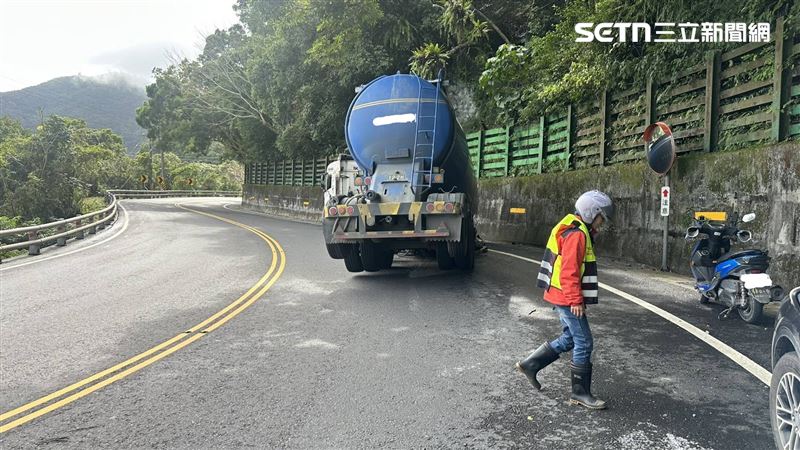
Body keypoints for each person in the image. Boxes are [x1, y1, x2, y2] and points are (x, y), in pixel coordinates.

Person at [515, 190, 614, 410]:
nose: (602, 223)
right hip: (566, 297)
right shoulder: (577, 234)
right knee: (584, 342)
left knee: (570, 337)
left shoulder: (574, 227)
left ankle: (530, 364)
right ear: (591, 212)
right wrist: (576, 300)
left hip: (561, 295)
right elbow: (568, 272)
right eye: (601, 218)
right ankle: (580, 393)